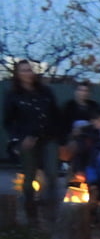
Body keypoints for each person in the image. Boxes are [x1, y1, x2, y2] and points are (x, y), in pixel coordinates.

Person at [3, 60, 61, 220]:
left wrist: (60, 137)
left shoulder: (45, 92)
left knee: (52, 174)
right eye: (24, 70)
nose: (28, 73)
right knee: (29, 179)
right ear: (17, 74)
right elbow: (9, 122)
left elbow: (56, 115)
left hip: (48, 137)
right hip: (27, 140)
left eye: (29, 70)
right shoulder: (13, 95)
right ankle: (31, 215)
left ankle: (51, 214)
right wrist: (19, 139)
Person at [59, 80, 100, 168]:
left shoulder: (95, 107)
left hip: (90, 139)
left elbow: (98, 123)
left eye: (86, 91)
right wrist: (69, 136)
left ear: (89, 93)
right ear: (76, 92)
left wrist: (85, 130)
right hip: (71, 139)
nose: (83, 93)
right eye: (80, 90)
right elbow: (62, 125)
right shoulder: (68, 106)